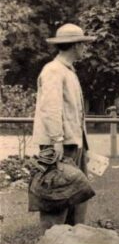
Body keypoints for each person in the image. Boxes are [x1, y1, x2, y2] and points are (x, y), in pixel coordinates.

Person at [30, 23, 96, 229]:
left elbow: (74, 112)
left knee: (76, 195)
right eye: (83, 44)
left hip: (73, 143)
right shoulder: (53, 71)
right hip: (58, 145)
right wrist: (57, 140)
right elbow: (51, 108)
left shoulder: (68, 71)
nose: (85, 49)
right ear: (75, 46)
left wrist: (83, 145)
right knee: (56, 195)